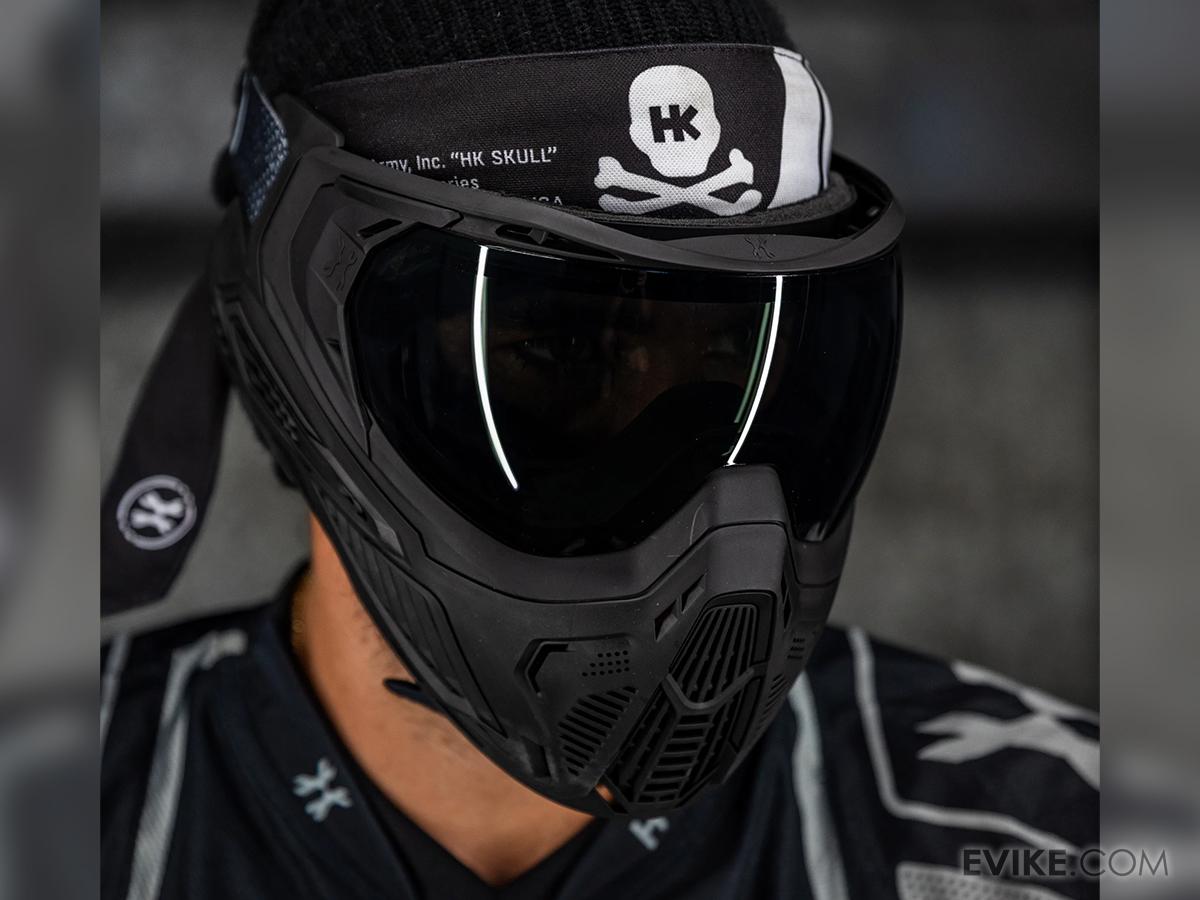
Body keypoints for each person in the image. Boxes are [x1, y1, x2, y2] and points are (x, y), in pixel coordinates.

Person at [101, 1, 1098, 897]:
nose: (714, 532)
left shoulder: (1056, 837)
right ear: (297, 357)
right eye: (558, 353)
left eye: (732, 362)